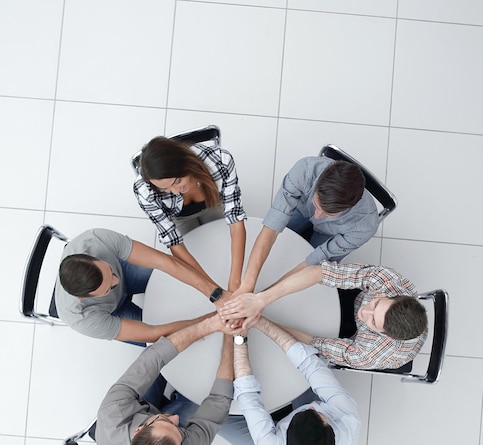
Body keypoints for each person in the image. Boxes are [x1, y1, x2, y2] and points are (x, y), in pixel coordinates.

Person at [95, 314, 235, 445]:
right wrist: (231, 337)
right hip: (143, 418)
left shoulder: (112, 412)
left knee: (155, 367)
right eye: (180, 431)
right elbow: (219, 402)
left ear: (138, 430)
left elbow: (153, 358)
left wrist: (209, 325)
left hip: (134, 407)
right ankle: (177, 401)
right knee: (194, 400)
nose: (175, 418)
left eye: (165, 421)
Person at [221, 261, 428, 371]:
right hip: (358, 294)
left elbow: (313, 342)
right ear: (393, 295)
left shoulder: (367, 353)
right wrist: (261, 300)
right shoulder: (386, 281)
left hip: (353, 335)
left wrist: (259, 320)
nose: (365, 312)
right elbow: (319, 272)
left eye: (373, 320)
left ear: (386, 335)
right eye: (376, 303)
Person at [231, 318, 360, 445]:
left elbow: (248, 398)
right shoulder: (349, 419)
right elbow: (311, 365)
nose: (313, 407)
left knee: (221, 419)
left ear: (286, 432)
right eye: (318, 414)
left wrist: (239, 339)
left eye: (309, 411)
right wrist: (258, 321)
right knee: (305, 377)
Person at [234, 155, 378, 296]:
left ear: (350, 207)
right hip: (299, 208)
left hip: (330, 234)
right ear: (317, 183)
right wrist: (247, 285)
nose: (317, 216)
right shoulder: (305, 170)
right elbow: (271, 229)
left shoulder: (365, 226)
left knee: (312, 271)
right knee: (279, 246)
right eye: (316, 205)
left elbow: (315, 260)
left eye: (328, 214)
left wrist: (266, 295)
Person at [55, 228, 230, 344]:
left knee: (174, 276)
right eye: (108, 288)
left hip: (125, 271)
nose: (116, 283)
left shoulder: (94, 240)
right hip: (113, 312)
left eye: (109, 271)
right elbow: (153, 333)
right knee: (173, 342)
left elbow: (164, 262)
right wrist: (211, 320)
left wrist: (216, 295)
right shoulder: (81, 319)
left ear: (89, 255)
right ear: (83, 298)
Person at [133, 135, 247, 293]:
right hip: (179, 216)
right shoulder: (144, 190)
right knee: (199, 258)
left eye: (177, 182)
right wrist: (213, 290)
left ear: (187, 164)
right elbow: (173, 241)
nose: (175, 191)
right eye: (165, 189)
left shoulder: (220, 160)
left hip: (213, 203)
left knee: (221, 249)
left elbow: (235, 221)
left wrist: (235, 282)